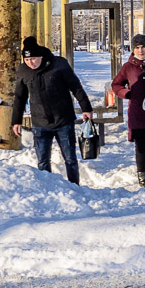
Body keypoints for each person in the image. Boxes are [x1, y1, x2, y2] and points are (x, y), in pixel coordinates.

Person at [11, 36, 93, 186]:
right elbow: (19, 97)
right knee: (42, 161)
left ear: (41, 56)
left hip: (63, 119)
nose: (31, 63)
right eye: (27, 60)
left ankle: (75, 187)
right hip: (40, 122)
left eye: (34, 59)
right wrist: (16, 120)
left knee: (70, 158)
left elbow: (75, 86)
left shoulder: (59, 64)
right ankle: (48, 190)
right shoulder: (23, 70)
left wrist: (86, 108)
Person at [110, 34, 145, 187]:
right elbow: (116, 85)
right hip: (138, 111)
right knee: (141, 146)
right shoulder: (128, 67)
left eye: (143, 47)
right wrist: (126, 93)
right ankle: (143, 176)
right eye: (137, 47)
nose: (141, 50)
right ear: (133, 49)